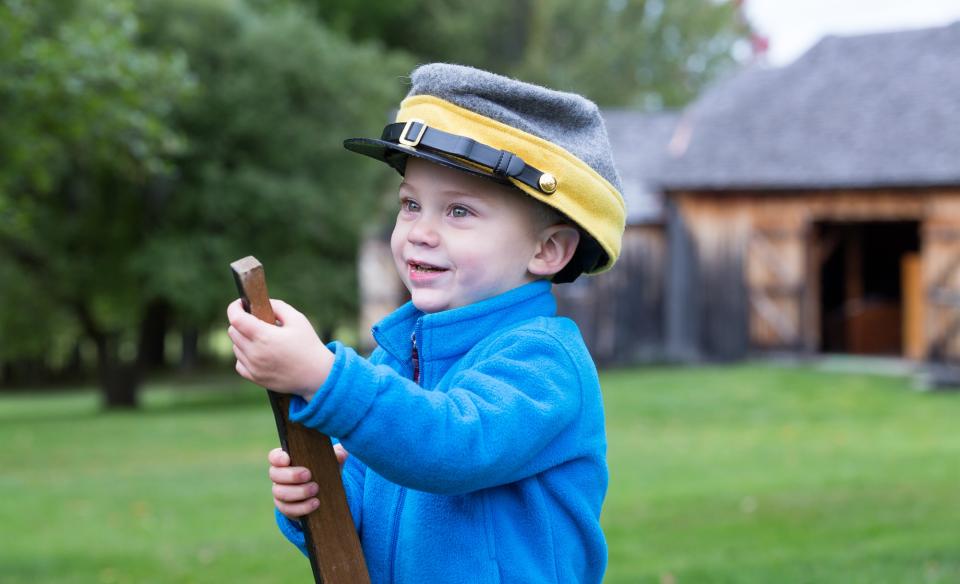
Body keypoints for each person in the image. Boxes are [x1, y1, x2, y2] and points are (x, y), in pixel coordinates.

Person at [227, 62, 626, 583]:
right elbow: (367, 530)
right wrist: (316, 500)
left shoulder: (542, 360)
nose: (420, 231)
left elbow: (451, 446)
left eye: (458, 212)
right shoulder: (394, 360)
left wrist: (323, 376)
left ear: (547, 250)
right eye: (411, 204)